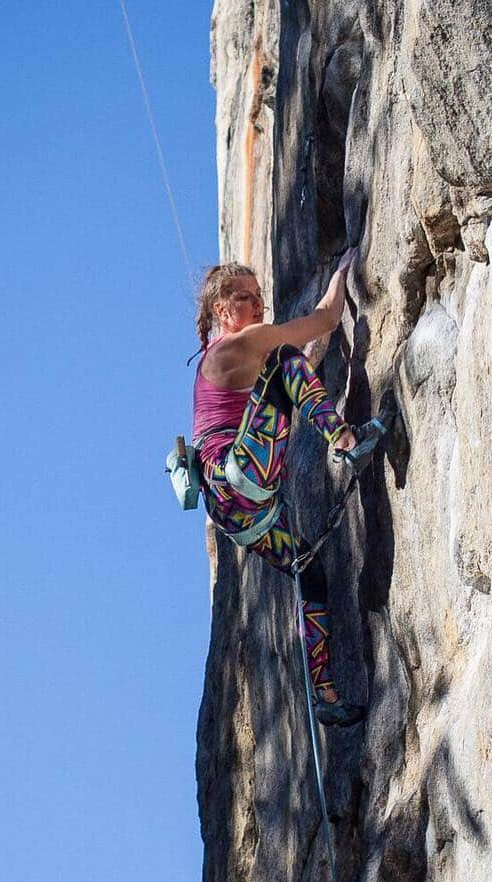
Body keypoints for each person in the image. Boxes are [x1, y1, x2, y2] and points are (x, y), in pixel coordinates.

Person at [191, 249, 365, 727]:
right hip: (239, 478)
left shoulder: (235, 359)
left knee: (309, 572)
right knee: (288, 357)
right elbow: (324, 319)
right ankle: (344, 440)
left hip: (237, 512)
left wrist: (307, 367)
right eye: (246, 297)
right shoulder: (238, 345)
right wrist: (341, 272)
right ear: (223, 309)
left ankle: (326, 695)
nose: (259, 305)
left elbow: (288, 383)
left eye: (260, 296)